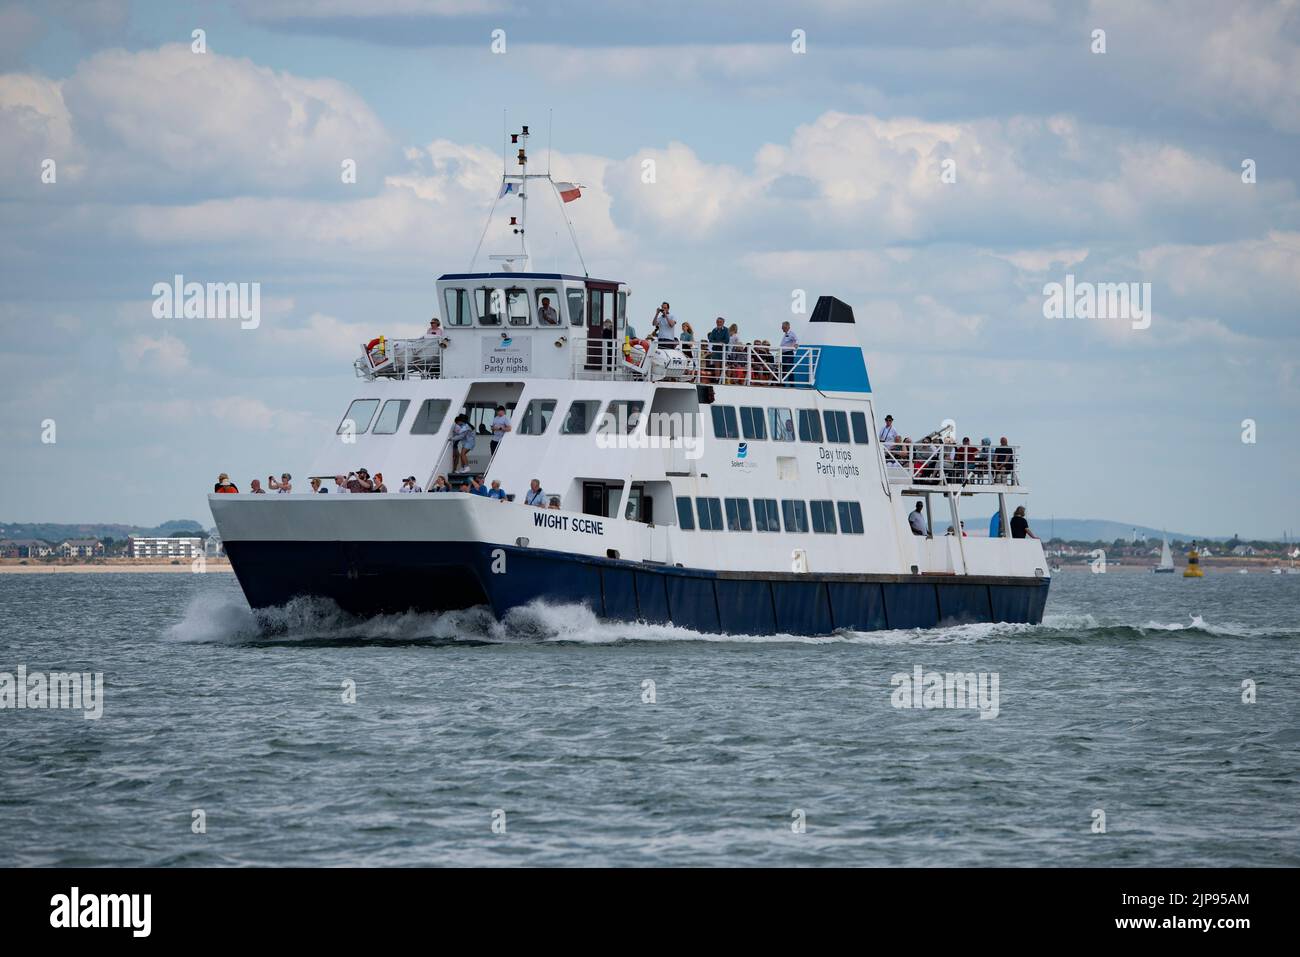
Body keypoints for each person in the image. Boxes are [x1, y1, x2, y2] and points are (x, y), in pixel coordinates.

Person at [706, 316, 729, 383]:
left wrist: (718, 342)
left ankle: (724, 380)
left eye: (720, 322)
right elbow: (711, 339)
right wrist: (718, 342)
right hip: (716, 350)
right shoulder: (714, 330)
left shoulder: (726, 330)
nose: (719, 323)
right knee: (717, 365)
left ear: (723, 323)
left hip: (723, 350)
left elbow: (726, 340)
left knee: (723, 365)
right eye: (717, 322)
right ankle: (717, 379)